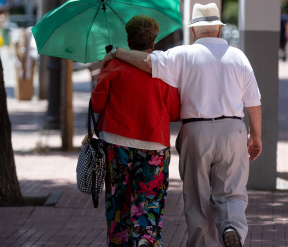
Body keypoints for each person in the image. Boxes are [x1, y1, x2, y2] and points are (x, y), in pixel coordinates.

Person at [102, 3, 262, 247]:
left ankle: (200, 243)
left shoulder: (182, 55)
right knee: (232, 192)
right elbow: (253, 102)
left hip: (195, 131)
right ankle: (231, 227)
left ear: (194, 32)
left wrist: (117, 53)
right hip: (233, 129)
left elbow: (147, 62)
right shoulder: (238, 57)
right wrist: (255, 136)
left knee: (197, 198)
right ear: (218, 30)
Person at [91, 15, 180, 247]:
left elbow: (97, 105)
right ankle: (145, 238)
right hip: (154, 144)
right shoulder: (164, 71)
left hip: (116, 141)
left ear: (129, 40)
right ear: (153, 42)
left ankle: (120, 242)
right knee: (149, 198)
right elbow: (175, 111)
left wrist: (102, 70)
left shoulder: (113, 66)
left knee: (118, 200)